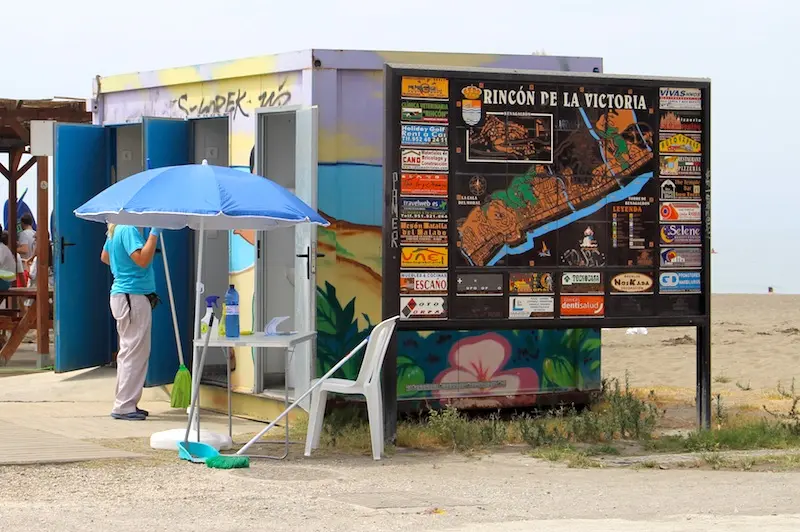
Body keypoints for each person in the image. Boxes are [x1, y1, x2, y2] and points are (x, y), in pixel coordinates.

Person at [101, 224, 161, 421]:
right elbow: (143, 260)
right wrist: (155, 233)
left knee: (130, 352)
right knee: (134, 353)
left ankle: (126, 402)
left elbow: (105, 257)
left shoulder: (115, 229)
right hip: (132, 295)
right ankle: (124, 406)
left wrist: (123, 269)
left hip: (124, 294)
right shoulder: (128, 229)